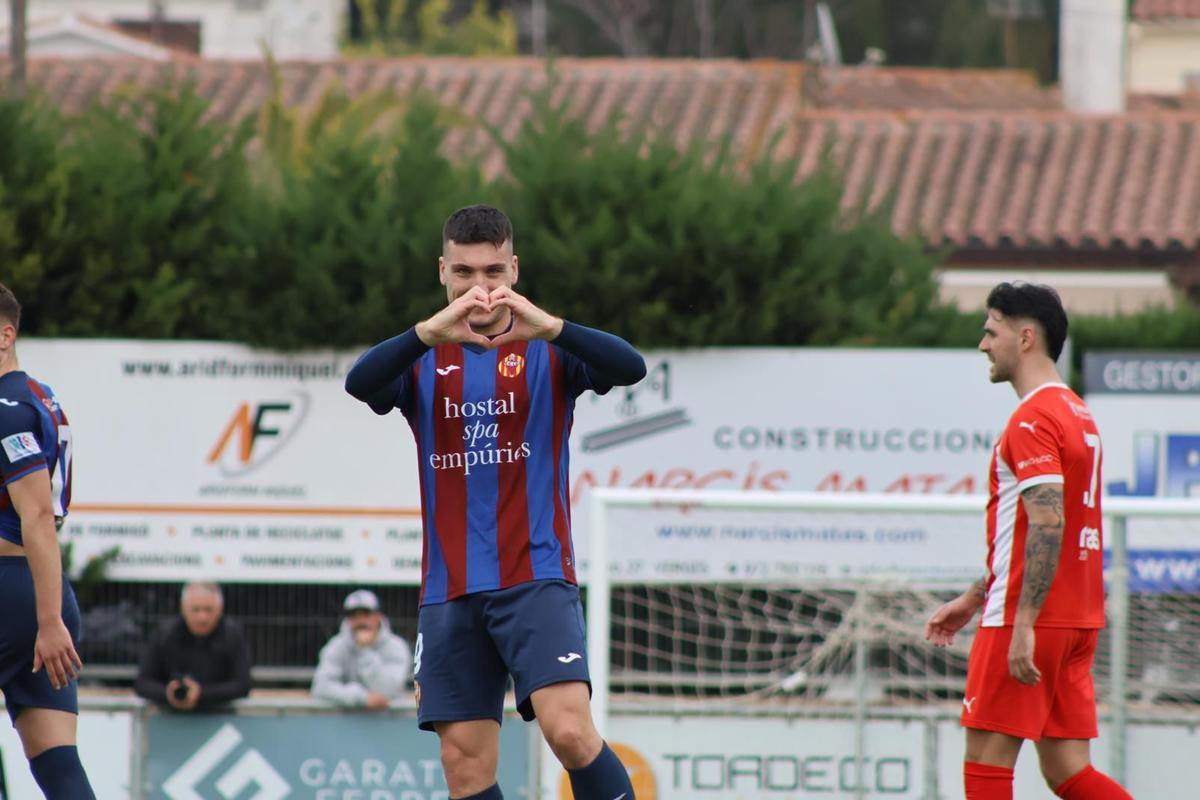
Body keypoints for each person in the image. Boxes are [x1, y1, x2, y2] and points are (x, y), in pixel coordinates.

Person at [345, 205, 646, 800]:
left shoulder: (549, 349)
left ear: (513, 267)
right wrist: (427, 332)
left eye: (491, 271)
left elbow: (630, 366)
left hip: (534, 575)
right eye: (463, 273)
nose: (479, 288)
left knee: (569, 733)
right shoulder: (421, 358)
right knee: (464, 766)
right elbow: (360, 383)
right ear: (442, 273)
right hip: (450, 590)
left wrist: (553, 326)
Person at [925, 282, 1132, 800]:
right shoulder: (1077, 412)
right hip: (1077, 618)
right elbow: (1030, 529)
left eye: (990, 331)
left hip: (1030, 619)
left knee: (985, 770)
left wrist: (1020, 623)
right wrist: (974, 597)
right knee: (1070, 773)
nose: (982, 345)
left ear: (1025, 338)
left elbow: (1047, 523)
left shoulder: (1033, 418)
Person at [0, 282, 96, 799]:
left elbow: (36, 512)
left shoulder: (6, 406)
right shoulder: (40, 395)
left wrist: (47, 619)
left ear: (5, 334)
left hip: (16, 595)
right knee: (59, 768)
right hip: (42, 594)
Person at [134, 581, 251, 712]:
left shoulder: (232, 635)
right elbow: (142, 683)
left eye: (208, 609)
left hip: (219, 719)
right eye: (195, 609)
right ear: (183, 608)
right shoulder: (164, 634)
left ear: (220, 609)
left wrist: (201, 693)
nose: (202, 617)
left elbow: (243, 685)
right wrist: (168, 693)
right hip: (170, 719)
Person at [312, 588, 413, 709]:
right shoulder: (335, 646)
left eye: (366, 614)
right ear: (347, 620)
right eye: (353, 616)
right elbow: (321, 687)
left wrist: (364, 651)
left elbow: (388, 689)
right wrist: (362, 698)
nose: (360, 621)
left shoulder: (396, 647)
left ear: (378, 617)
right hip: (345, 722)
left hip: (387, 721)